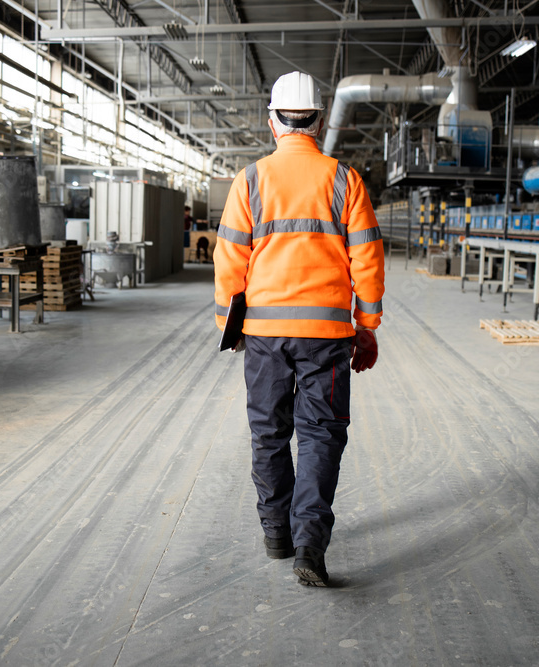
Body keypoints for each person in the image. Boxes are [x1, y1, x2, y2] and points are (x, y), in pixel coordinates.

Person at [213, 71, 385, 587]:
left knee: (269, 432)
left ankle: (277, 537)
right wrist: (367, 326)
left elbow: (228, 260)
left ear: (274, 123)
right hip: (328, 337)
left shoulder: (250, 181)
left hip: (265, 334)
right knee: (320, 435)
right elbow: (368, 260)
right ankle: (310, 542)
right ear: (318, 119)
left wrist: (232, 325)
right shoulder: (344, 180)